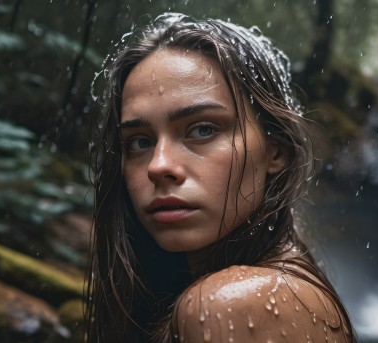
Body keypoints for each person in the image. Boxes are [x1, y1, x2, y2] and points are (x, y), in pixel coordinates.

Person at [86, 12, 356, 342]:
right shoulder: (276, 285)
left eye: (202, 129)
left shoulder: (234, 304)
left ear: (276, 151)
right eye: (140, 141)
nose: (158, 166)